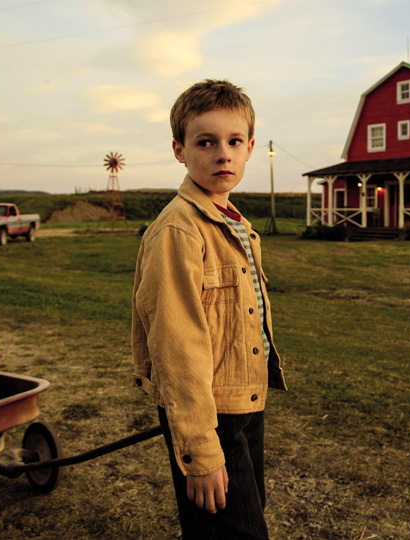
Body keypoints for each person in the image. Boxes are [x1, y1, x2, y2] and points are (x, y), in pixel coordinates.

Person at [131, 79, 287, 540]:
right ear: (179, 149)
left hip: (243, 401)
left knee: (239, 516)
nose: (223, 154)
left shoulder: (232, 221)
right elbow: (177, 348)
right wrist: (200, 450)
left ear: (250, 147)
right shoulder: (179, 231)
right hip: (208, 411)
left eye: (234, 141)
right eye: (206, 142)